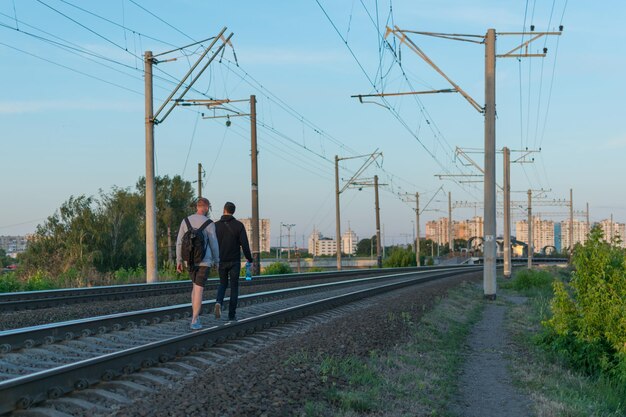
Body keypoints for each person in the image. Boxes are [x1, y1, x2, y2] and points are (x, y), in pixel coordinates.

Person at [176, 197, 219, 330]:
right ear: (205, 208)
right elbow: (214, 244)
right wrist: (217, 260)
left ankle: (196, 316)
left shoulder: (186, 221)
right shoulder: (209, 223)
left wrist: (178, 260)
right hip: (204, 261)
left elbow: (179, 242)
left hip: (189, 260)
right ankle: (194, 320)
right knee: (199, 289)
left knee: (195, 287)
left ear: (197, 207)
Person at [214, 201, 253, 321]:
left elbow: (212, 244)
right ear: (233, 211)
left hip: (221, 260)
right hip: (234, 261)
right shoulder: (239, 225)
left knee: (222, 284)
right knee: (234, 287)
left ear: (224, 210)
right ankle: (231, 315)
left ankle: (219, 302)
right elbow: (245, 245)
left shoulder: (215, 226)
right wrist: (249, 259)